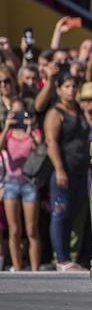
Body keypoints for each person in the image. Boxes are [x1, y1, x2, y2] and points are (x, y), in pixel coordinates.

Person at [44, 73, 91, 271]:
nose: (71, 90)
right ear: (59, 89)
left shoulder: (78, 110)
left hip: (80, 171)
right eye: (67, 86)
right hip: (64, 171)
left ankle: (73, 257)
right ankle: (62, 260)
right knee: (60, 214)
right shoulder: (56, 113)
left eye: (74, 86)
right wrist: (60, 169)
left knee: (75, 214)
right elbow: (51, 142)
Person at [1, 99, 42, 271]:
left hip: (29, 183)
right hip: (11, 183)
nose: (18, 117)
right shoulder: (8, 134)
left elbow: (39, 149)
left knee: (32, 229)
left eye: (21, 114)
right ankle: (17, 269)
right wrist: (6, 126)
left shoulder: (33, 131)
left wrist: (30, 129)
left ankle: (34, 269)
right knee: (14, 230)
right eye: (14, 114)